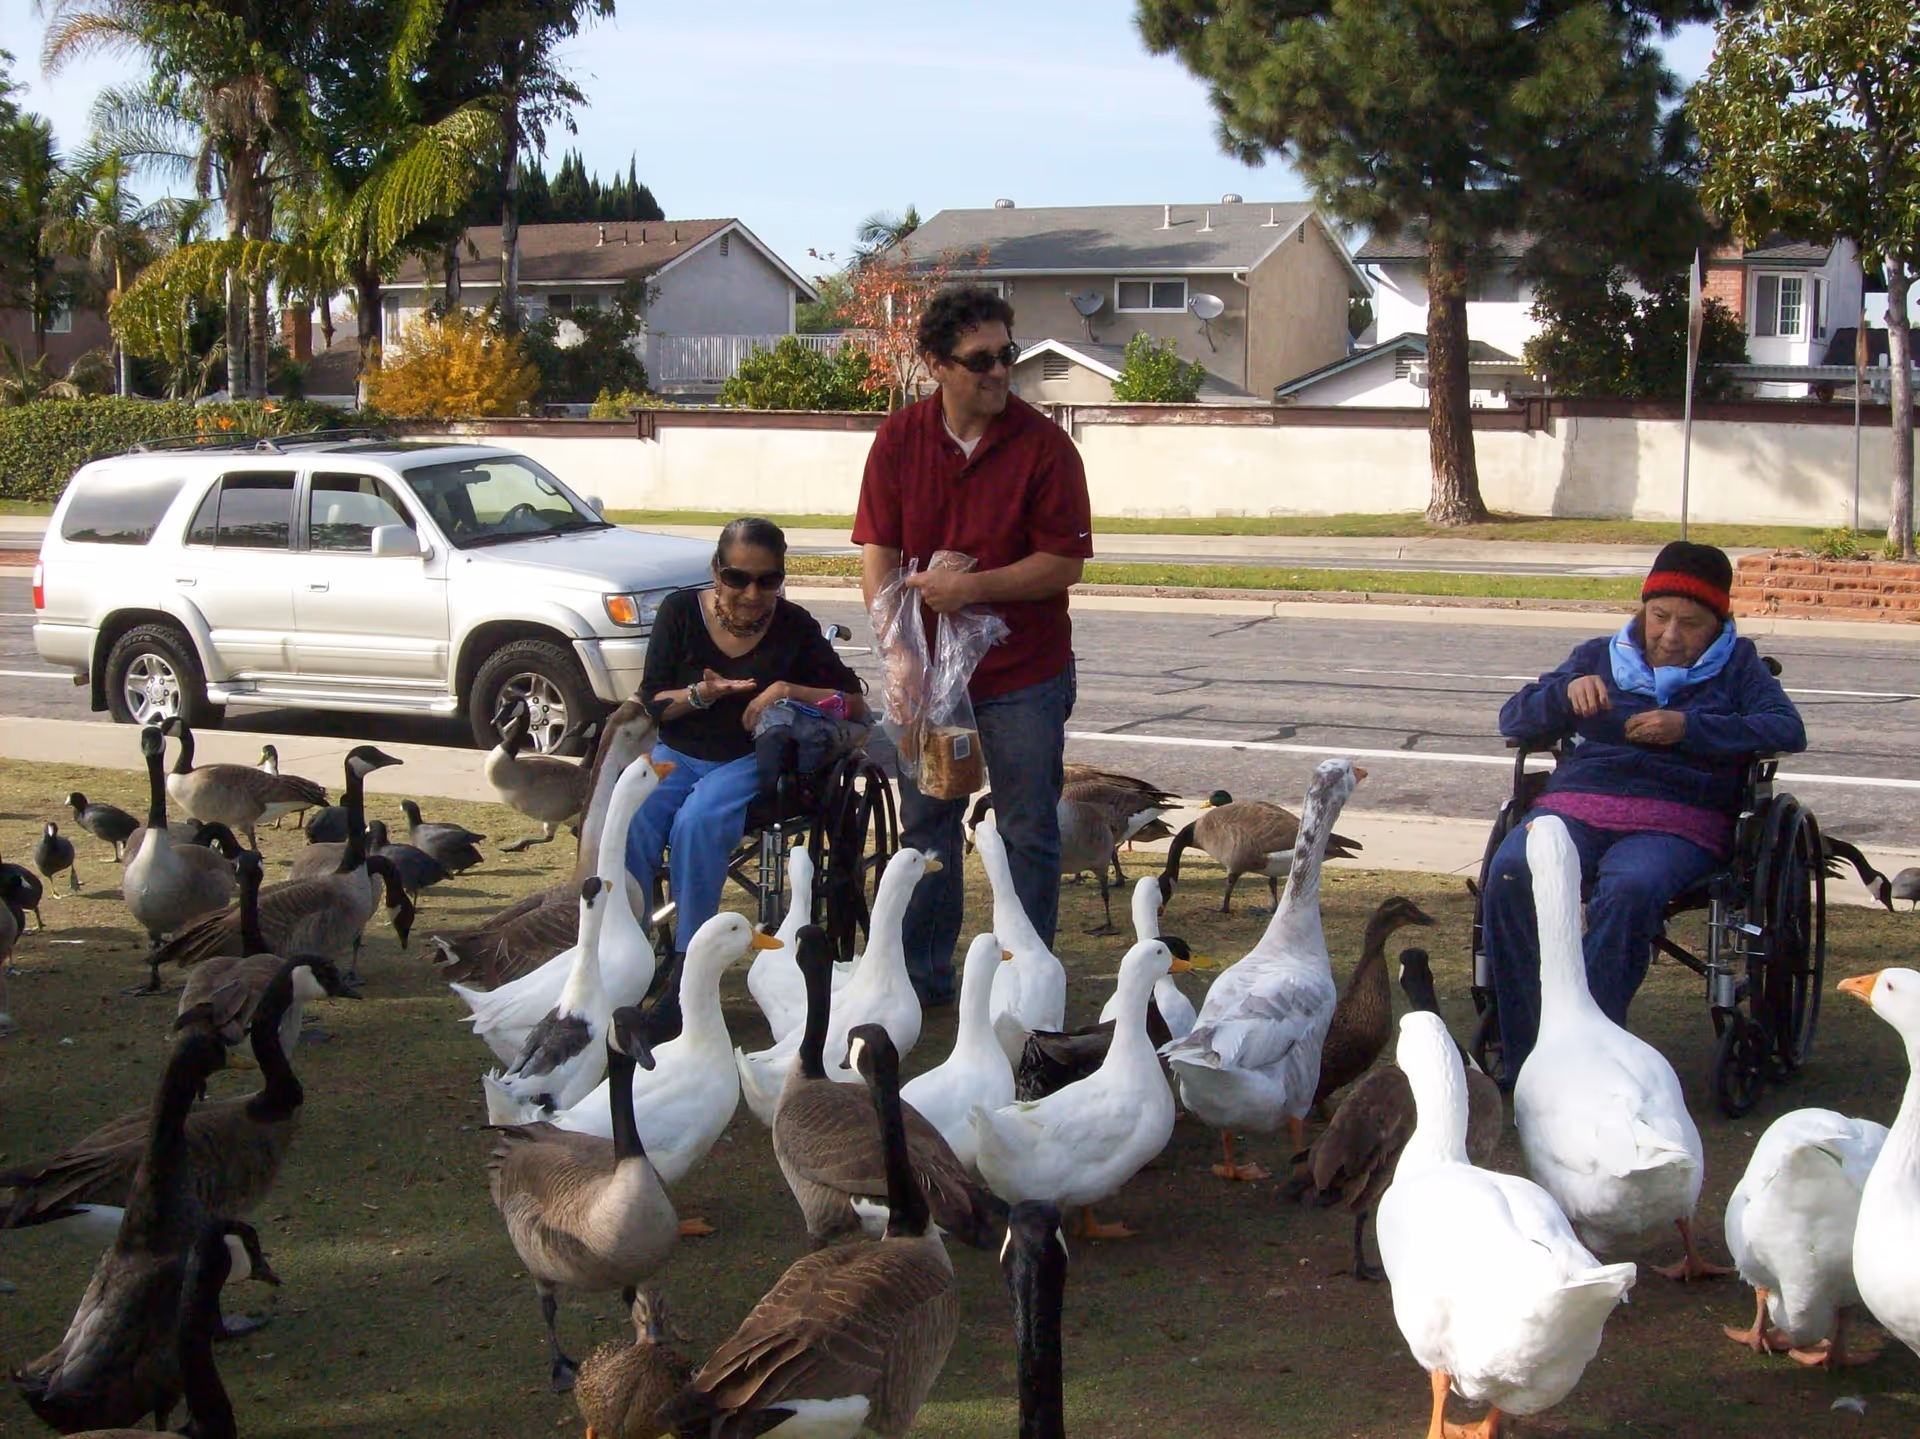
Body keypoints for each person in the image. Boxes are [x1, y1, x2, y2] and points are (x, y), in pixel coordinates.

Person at [1483, 541, 1807, 1079]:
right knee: (1513, 871)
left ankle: (1587, 1056)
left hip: (1677, 820)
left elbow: (1786, 728)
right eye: (1659, 618)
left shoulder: (1739, 667)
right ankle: (1528, 1055)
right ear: (1643, 610)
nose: (1671, 636)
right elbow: (1513, 721)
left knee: (1630, 890)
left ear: (1719, 622)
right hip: (1576, 804)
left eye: (1691, 623)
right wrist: (1565, 694)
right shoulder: (1596, 656)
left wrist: (1691, 728)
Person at [853, 284, 1093, 1006]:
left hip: (1023, 673)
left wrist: (972, 588)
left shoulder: (1044, 447)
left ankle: (1026, 984)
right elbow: (878, 550)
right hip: (931, 678)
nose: (999, 372)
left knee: (1026, 827)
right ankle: (926, 980)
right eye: (980, 359)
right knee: (928, 823)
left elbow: (1064, 564)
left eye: (1006, 355)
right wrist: (898, 652)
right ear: (936, 364)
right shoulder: (900, 439)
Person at [628, 517, 866, 1010]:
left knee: (698, 820)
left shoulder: (794, 626)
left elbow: (854, 702)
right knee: (631, 816)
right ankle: (625, 951)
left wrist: (786, 689)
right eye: (738, 578)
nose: (752, 592)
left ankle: (690, 964)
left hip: (748, 761)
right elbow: (653, 701)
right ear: (717, 571)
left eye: (768, 579)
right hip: (677, 754)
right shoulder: (679, 613)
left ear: (781, 577)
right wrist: (700, 694)